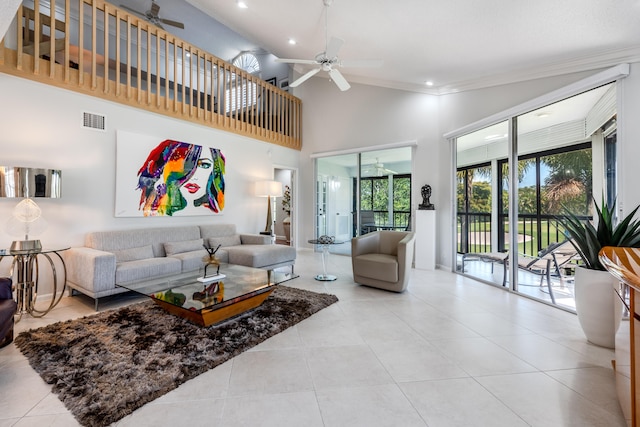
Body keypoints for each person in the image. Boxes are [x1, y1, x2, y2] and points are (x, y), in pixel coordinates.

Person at [137, 139, 225, 216]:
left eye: (204, 165)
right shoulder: (155, 210)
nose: (194, 177)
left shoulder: (210, 210)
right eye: (183, 165)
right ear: (162, 168)